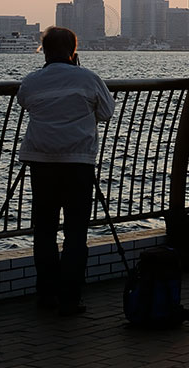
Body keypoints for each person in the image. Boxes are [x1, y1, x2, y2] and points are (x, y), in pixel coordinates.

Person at [15, 27, 115, 315]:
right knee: (75, 232)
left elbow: (25, 102)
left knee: (44, 230)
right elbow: (106, 113)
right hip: (78, 162)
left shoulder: (32, 81)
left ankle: (46, 294)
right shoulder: (88, 78)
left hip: (41, 161)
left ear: (43, 50)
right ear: (74, 50)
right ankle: (71, 297)